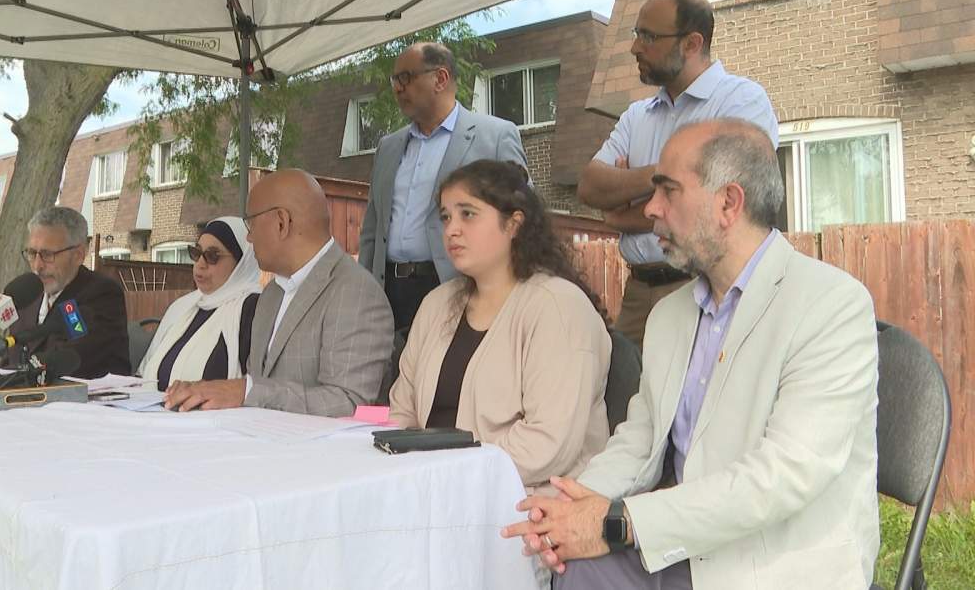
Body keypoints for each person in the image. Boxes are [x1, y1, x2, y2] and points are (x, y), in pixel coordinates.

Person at [503, 119, 879, 590]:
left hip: (777, 563)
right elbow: (640, 440)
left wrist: (621, 522)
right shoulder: (670, 315)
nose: (651, 208)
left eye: (669, 190)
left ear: (728, 203)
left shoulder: (830, 305)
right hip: (684, 547)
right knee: (568, 566)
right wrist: (571, 507)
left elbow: (783, 476)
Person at [576, 0, 779, 347]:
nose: (635, 47)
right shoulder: (637, 115)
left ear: (692, 43)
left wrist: (623, 214)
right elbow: (590, 187)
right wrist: (671, 177)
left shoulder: (741, 101)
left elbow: (721, 204)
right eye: (636, 33)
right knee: (629, 382)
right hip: (638, 293)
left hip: (704, 287)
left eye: (649, 36)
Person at [389, 160, 611, 492]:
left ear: (513, 224)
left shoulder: (558, 306)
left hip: (527, 502)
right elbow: (401, 414)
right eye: (446, 217)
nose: (451, 230)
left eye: (468, 214)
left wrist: (449, 477)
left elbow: (546, 445)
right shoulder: (436, 304)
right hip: (429, 489)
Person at [165, 170, 394, 416]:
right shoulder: (271, 295)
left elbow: (349, 404)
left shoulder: (356, 293)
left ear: (281, 223)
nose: (249, 237)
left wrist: (245, 392)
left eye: (251, 224)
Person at [359, 41, 528, 333]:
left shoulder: (495, 136)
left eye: (405, 78)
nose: (397, 88)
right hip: (388, 292)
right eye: (394, 80)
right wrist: (364, 288)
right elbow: (372, 229)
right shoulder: (388, 148)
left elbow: (524, 218)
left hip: (457, 285)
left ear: (440, 78)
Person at [138, 217, 261, 389]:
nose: (200, 265)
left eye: (212, 256)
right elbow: (144, 374)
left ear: (241, 262)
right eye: (196, 253)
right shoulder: (181, 307)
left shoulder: (254, 310)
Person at [10, 206, 130, 378]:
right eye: (32, 253)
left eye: (47, 254)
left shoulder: (102, 294)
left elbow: (71, 358)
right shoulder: (28, 295)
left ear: (78, 255)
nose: (37, 266)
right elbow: (9, 360)